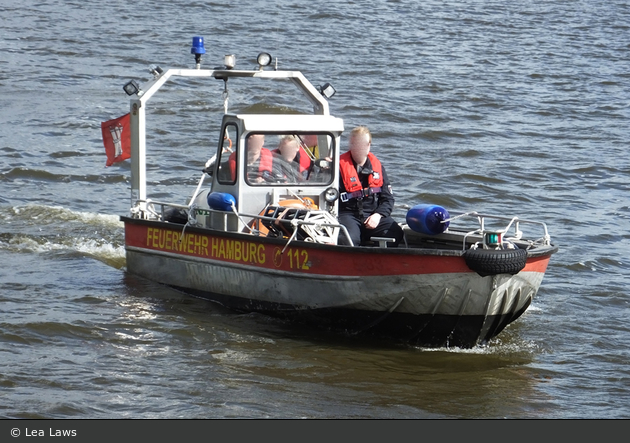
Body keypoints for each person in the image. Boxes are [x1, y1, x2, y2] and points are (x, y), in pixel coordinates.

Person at [337, 126, 404, 247]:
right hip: (347, 214)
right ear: (350, 144)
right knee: (348, 239)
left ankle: (378, 260)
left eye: (364, 144)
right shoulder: (337, 167)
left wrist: (378, 215)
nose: (360, 147)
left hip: (372, 214)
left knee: (395, 232)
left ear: (369, 145)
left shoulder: (377, 167)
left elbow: (388, 199)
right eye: (356, 143)